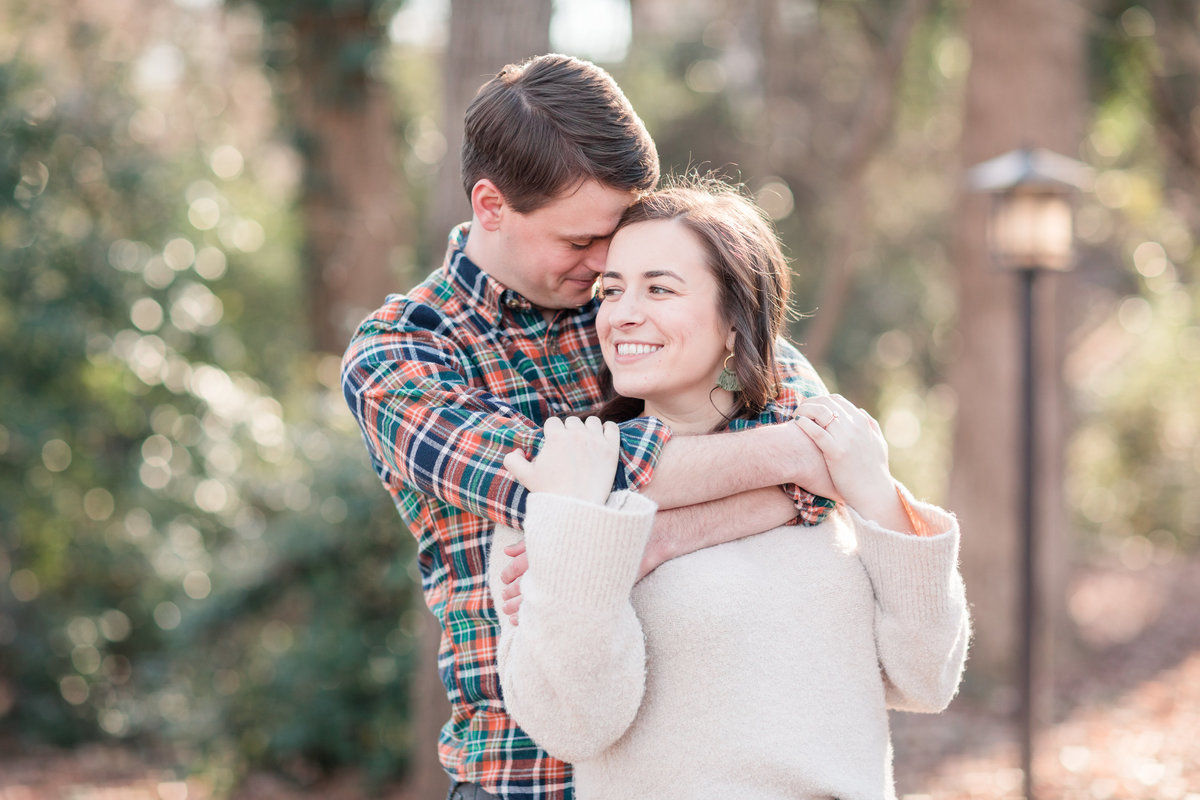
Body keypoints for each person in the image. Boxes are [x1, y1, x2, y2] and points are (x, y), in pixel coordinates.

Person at [341, 54, 836, 800]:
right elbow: (563, 485)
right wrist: (792, 458)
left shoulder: (655, 299)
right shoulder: (402, 354)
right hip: (531, 777)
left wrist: (663, 538)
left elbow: (843, 468)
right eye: (580, 242)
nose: (608, 265)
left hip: (703, 769)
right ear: (491, 205)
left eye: (620, 230)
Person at [488, 179, 971, 800]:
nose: (621, 312)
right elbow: (573, 725)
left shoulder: (821, 469)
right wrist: (585, 544)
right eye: (612, 289)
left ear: (735, 324)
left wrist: (875, 492)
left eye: (659, 287)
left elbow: (927, 678)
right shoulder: (567, 485)